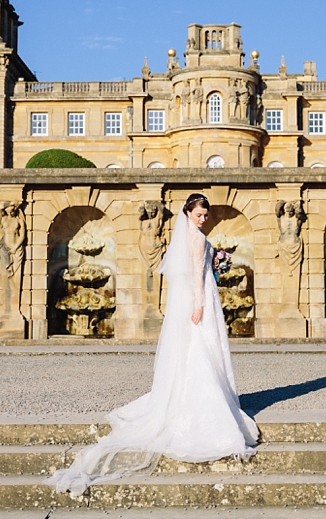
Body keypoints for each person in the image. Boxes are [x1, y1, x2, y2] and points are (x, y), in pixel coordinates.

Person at [45, 193, 259, 498]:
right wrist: (199, 304)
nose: (203, 219)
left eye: (205, 215)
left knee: (194, 351)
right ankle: (205, 404)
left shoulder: (189, 236)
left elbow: (193, 269)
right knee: (203, 349)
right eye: (200, 215)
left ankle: (190, 397)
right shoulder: (196, 238)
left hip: (194, 300)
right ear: (188, 212)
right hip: (200, 301)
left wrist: (216, 260)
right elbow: (197, 279)